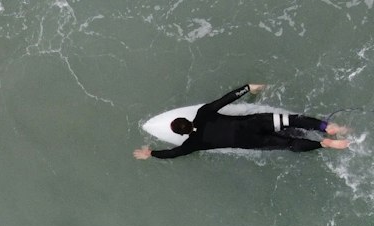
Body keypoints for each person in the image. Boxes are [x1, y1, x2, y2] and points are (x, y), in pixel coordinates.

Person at [133, 83, 350, 160]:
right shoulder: (203, 113)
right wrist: (248, 87)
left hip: (250, 141)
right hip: (255, 123)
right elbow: (226, 98)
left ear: (181, 134)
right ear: (186, 119)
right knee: (291, 121)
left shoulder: (193, 144)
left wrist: (150, 153)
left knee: (289, 144)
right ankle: (328, 127)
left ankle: (324, 144)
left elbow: (173, 154)